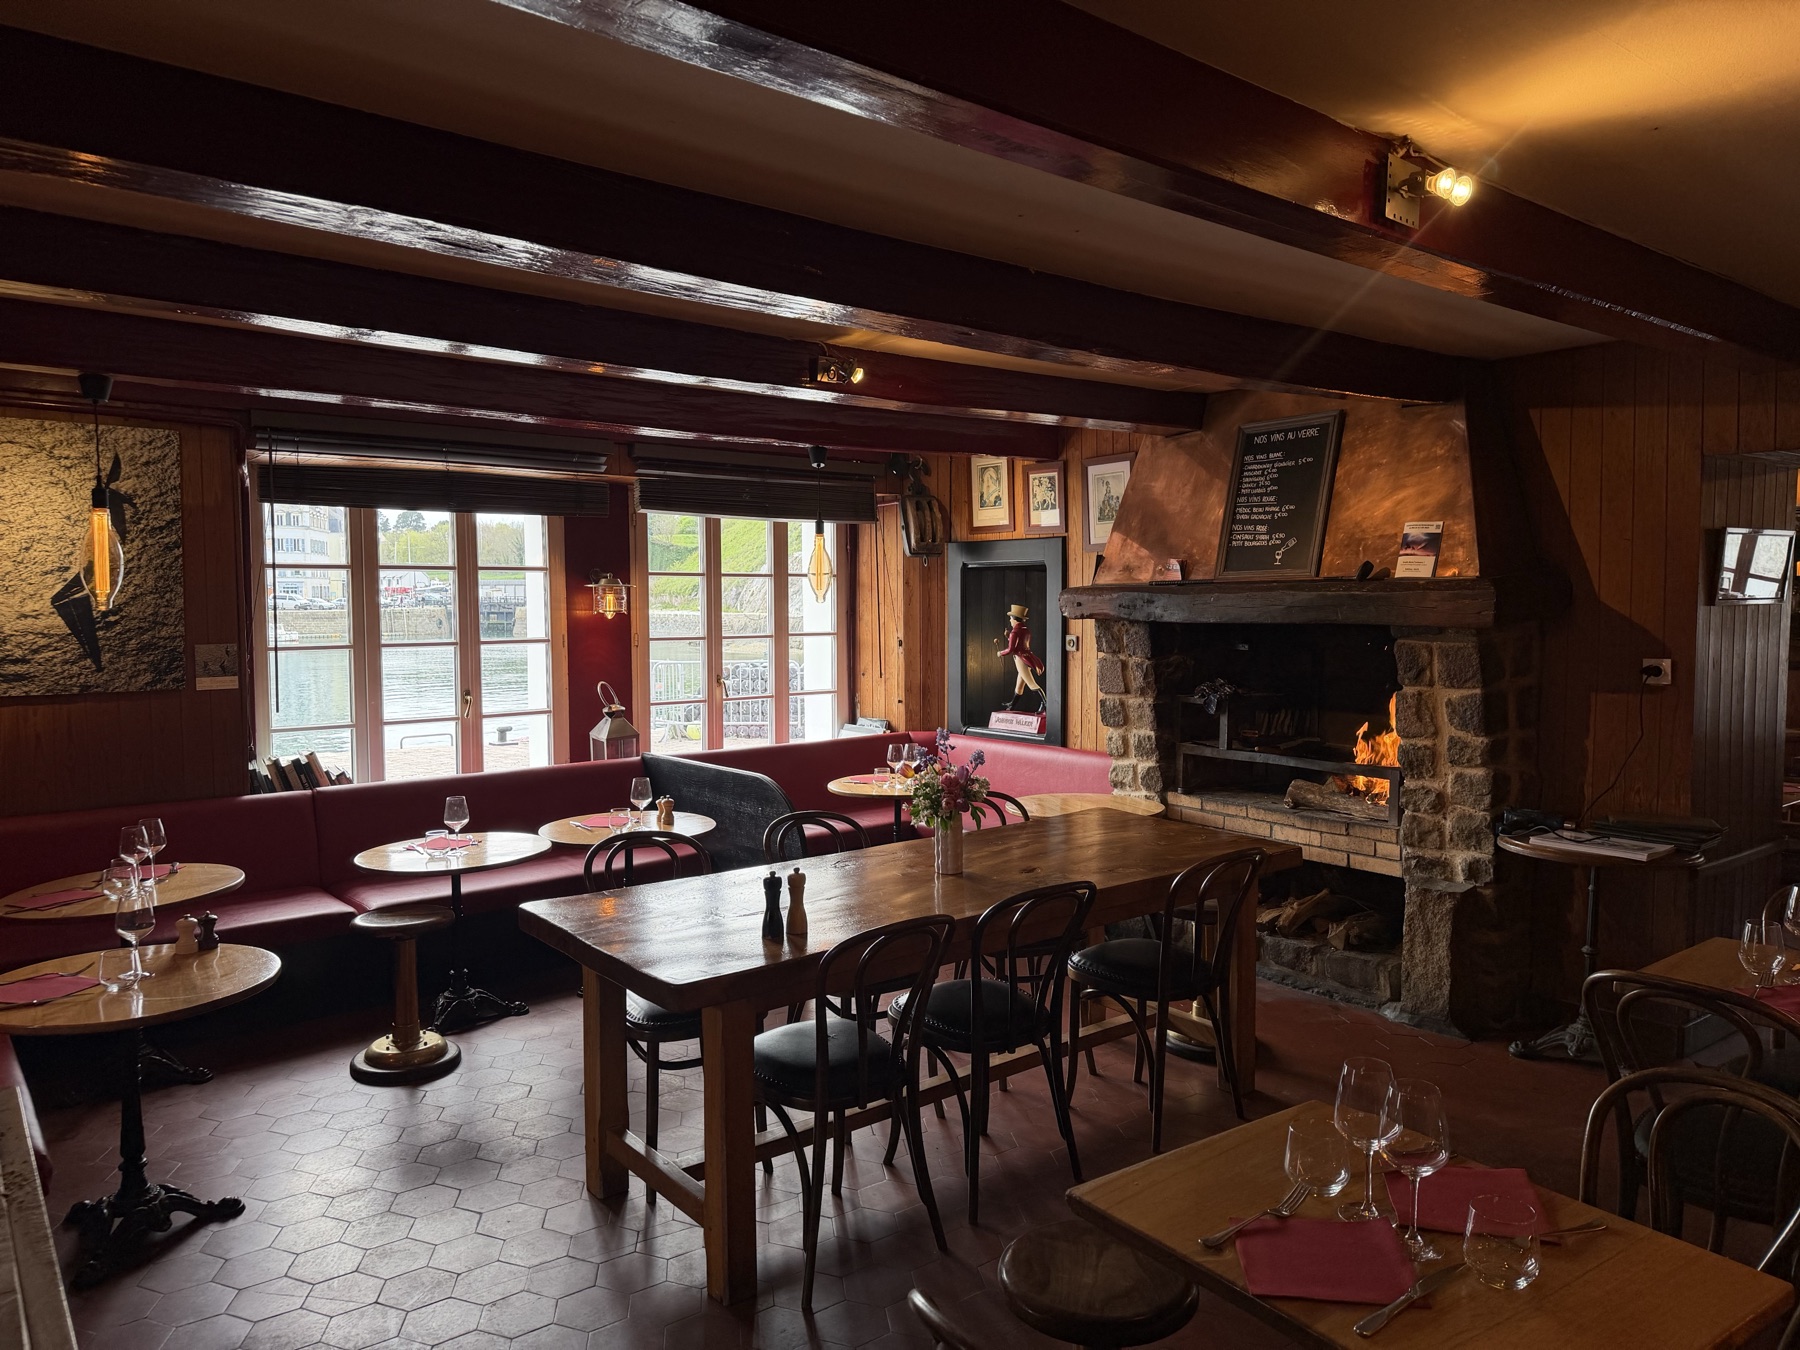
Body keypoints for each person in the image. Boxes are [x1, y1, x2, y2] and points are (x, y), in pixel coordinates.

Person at [995, 603, 1046, 712]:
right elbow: (1020, 644)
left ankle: (1045, 704)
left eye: (1010, 618)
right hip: (1027, 657)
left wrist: (1000, 653)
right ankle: (1012, 705)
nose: (1010, 621)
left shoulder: (1015, 632)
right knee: (1019, 686)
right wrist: (1009, 636)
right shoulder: (1025, 630)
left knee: (1031, 683)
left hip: (1020, 659)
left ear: (1014, 619)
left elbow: (1011, 650)